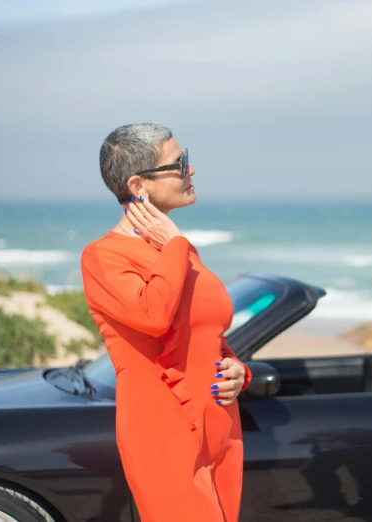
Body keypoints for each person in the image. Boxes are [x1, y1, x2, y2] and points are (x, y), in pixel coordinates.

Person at [80, 123, 251, 522]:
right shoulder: (103, 257)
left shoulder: (182, 251)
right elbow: (153, 316)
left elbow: (208, 332)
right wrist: (174, 243)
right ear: (139, 185)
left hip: (219, 424)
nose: (191, 171)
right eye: (180, 163)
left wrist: (238, 371)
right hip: (163, 430)